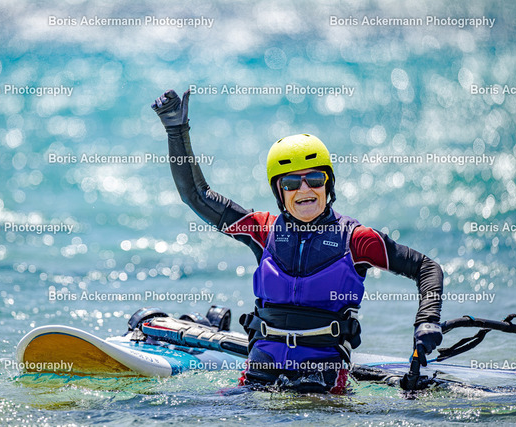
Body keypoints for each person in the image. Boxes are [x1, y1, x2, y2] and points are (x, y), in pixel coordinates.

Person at [152, 89, 443, 393]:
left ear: (328, 184)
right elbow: (196, 196)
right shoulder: (263, 231)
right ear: (279, 192)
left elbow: (426, 267)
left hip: (322, 382)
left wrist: (427, 320)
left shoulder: (356, 240)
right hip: (260, 372)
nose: (304, 190)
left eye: (314, 179)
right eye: (291, 182)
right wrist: (175, 129)